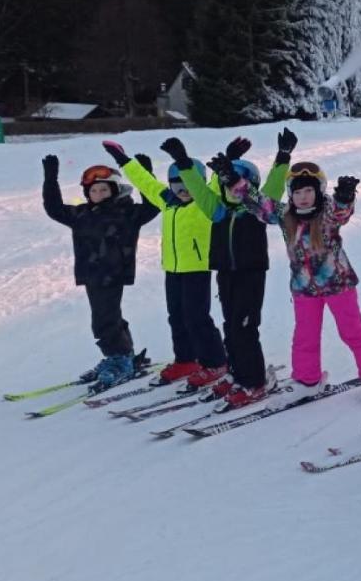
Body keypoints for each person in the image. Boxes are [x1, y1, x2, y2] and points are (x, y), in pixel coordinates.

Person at [212, 155, 361, 411]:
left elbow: (342, 212)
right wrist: (232, 179)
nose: (303, 197)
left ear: (319, 192)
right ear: (290, 194)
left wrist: (346, 196)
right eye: (298, 192)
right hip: (304, 289)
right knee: (304, 336)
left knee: (352, 330)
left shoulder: (327, 213)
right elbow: (256, 202)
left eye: (309, 191)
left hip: (338, 285)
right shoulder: (285, 215)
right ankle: (307, 379)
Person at [166, 130, 292, 408]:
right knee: (230, 326)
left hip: (250, 274)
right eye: (226, 183)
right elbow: (199, 191)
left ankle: (254, 381)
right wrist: (184, 163)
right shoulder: (218, 211)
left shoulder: (258, 210)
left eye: (236, 183)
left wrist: (283, 158)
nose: (231, 187)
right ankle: (237, 373)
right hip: (226, 272)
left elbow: (273, 187)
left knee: (245, 328)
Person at [102, 139, 227, 390]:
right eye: (176, 183)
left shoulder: (204, 204)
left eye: (188, 183)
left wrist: (193, 164)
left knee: (197, 317)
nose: (183, 189)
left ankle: (215, 361)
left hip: (197, 268)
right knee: (176, 317)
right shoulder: (167, 201)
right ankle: (186, 359)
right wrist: (124, 161)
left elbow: (213, 186)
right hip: (172, 268)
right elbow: (145, 183)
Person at [41, 153, 159, 390]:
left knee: (104, 319)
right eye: (93, 191)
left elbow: (153, 204)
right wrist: (50, 177)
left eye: (103, 190)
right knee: (109, 316)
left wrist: (146, 174)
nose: (97, 195)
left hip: (113, 272)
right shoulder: (83, 214)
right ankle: (123, 354)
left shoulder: (128, 212)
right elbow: (54, 209)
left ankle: (119, 359)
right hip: (91, 273)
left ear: (115, 190)